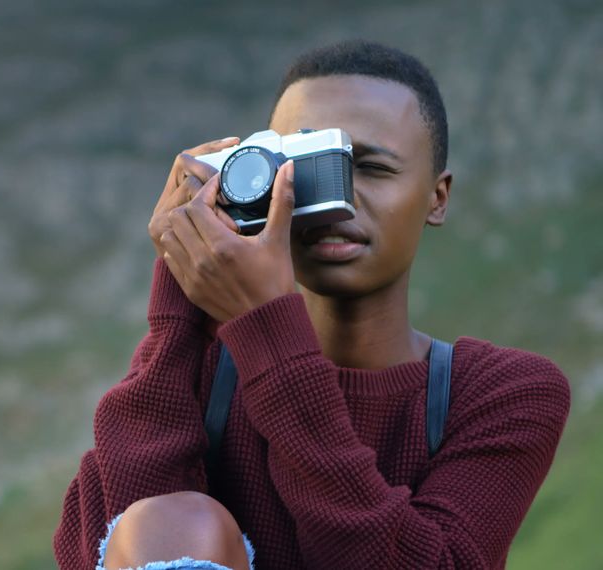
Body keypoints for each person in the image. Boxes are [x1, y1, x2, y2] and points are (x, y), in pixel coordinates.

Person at [53, 40, 571, 569]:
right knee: (170, 523)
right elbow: (109, 543)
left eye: (370, 168)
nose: (338, 200)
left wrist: (271, 335)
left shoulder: (502, 394)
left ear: (437, 198)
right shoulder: (206, 372)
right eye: (304, 168)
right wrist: (179, 312)